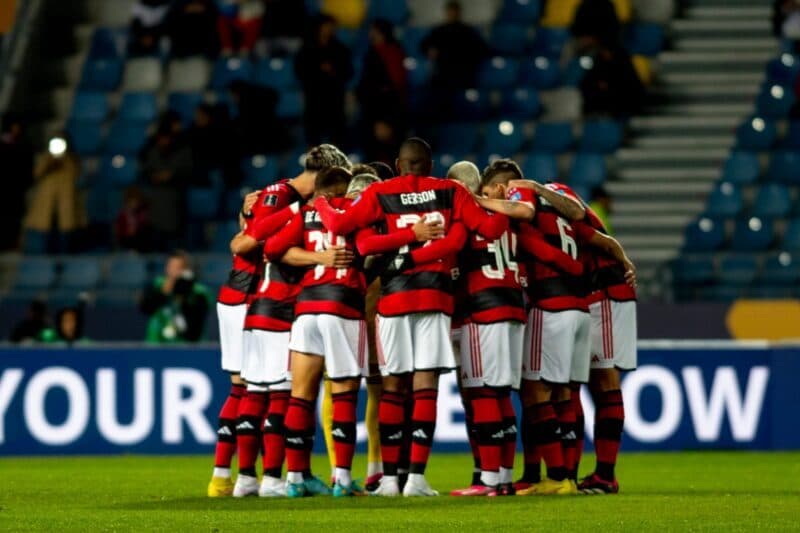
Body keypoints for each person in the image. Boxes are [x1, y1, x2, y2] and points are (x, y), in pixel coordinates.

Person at [313, 137, 510, 496]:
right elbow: (492, 230)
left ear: (399, 165)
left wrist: (323, 204)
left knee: (392, 389)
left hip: (392, 301)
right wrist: (488, 205)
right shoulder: (452, 192)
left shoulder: (380, 193)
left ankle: (389, 479)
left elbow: (350, 235)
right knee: (425, 389)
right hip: (434, 298)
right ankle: (416, 479)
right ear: (431, 165)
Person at [223, 145, 351, 499]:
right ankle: (274, 479)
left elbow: (253, 234)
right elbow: (245, 242)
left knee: (255, 393)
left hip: (259, 306)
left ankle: (245, 478)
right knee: (281, 395)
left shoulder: (280, 197)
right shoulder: (285, 198)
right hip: (273, 304)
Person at [261, 167, 367, 497]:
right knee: (344, 392)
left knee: (300, 395)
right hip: (342, 306)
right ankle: (343, 479)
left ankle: (293, 478)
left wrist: (315, 257)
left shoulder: (306, 213)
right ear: (344, 189)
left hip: (306, 310)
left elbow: (273, 249)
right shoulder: (356, 209)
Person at [420, 1, 489, 118]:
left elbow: (481, 49)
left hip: (463, 75)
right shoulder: (439, 30)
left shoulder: (467, 31)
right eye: (450, 12)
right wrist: (430, 51)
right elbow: (424, 46)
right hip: (443, 74)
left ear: (459, 13)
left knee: (465, 104)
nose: (452, 14)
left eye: (454, 12)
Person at [295, 14, 354, 146]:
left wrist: (333, 71)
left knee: (337, 138)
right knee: (313, 138)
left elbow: (348, 72)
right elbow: (300, 71)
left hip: (334, 99)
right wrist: (318, 70)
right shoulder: (307, 49)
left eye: (331, 27)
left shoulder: (341, 49)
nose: (329, 29)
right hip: (314, 99)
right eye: (326, 26)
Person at [357, 19, 407, 164]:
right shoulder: (373, 53)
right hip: (372, 116)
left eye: (374, 31)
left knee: (388, 159)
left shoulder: (390, 54)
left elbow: (391, 89)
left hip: (385, 115)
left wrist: (383, 120)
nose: (371, 34)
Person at [22, 135, 84, 253]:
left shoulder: (71, 159)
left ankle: (65, 256)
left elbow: (76, 174)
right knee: (45, 233)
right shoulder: (45, 157)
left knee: (65, 234)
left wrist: (64, 160)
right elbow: (36, 174)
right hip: (48, 203)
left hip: (65, 203)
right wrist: (49, 162)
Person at [139, 123, 193, 249]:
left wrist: (171, 176)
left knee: (174, 238)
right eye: (161, 138)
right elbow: (145, 172)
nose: (164, 141)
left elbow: (187, 172)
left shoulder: (182, 152)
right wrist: (156, 177)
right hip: (156, 200)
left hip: (175, 199)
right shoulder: (152, 152)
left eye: (166, 138)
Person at [140, 250, 210, 343]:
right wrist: (163, 293)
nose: (173, 272)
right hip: (156, 346)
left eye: (178, 268)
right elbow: (145, 308)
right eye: (170, 267)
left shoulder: (198, 293)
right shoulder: (157, 285)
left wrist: (182, 293)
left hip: (188, 349)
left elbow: (194, 332)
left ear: (187, 272)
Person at [0, 114, 34, 251]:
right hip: (3, 189)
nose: (16, 129)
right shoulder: (2, 144)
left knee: (14, 220)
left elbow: (28, 169)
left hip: (17, 190)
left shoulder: (25, 145)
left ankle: (12, 244)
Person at [115, 186, 153, 252]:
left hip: (136, 240)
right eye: (132, 202)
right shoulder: (123, 214)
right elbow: (119, 230)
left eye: (136, 202)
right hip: (126, 240)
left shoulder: (139, 214)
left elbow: (143, 226)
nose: (134, 204)